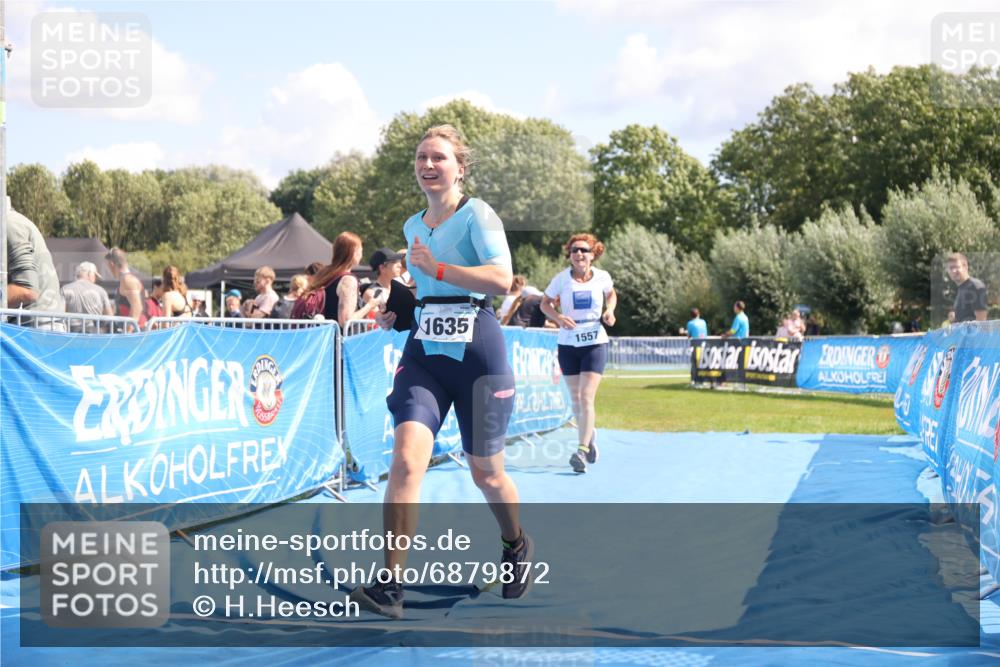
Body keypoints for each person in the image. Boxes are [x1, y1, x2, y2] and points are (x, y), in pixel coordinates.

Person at [353, 124, 530, 618]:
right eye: (421, 157)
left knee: (486, 474)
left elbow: (500, 279)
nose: (428, 165)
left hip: (479, 354)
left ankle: (515, 544)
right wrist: (401, 310)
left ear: (460, 167)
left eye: (439, 158)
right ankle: (391, 585)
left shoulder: (479, 214)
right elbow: (429, 293)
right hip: (425, 354)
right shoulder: (413, 225)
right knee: (407, 460)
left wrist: (441, 269)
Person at [540, 233, 617, 474]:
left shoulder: (602, 277)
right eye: (574, 250)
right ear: (570, 255)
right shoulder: (561, 279)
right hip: (568, 343)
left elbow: (611, 294)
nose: (579, 254)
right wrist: (558, 317)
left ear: (593, 254)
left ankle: (581, 450)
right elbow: (545, 304)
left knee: (586, 397)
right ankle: (590, 438)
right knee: (575, 401)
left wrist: (610, 310)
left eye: (584, 250)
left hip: (594, 340)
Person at [6, 207, 66, 329]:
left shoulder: (9, 225)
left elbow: (27, 290)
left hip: (34, 332)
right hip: (35, 329)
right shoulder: (10, 222)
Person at [363, 248, 416, 328]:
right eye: (395, 262)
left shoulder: (399, 288)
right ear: (382, 268)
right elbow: (374, 323)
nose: (400, 265)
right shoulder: (371, 293)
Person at [60, 261, 113, 331]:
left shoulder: (65, 289)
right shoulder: (101, 291)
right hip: (94, 333)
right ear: (89, 274)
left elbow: (60, 314)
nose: (95, 279)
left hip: (71, 333)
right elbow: (109, 316)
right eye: (95, 276)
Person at [104, 247, 146, 324]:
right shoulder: (127, 279)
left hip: (134, 332)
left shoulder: (127, 280)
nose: (109, 270)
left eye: (108, 267)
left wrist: (127, 332)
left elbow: (137, 308)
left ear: (112, 264)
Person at [946, 252, 988, 323]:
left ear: (965, 266)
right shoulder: (961, 288)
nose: (953, 271)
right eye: (951, 268)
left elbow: (981, 321)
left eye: (956, 267)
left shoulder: (975, 286)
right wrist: (955, 317)